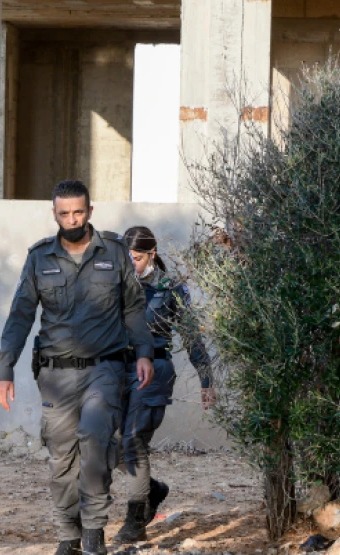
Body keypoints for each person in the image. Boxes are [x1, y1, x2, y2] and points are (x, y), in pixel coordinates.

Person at [0, 180, 155, 555]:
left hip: (105, 368)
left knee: (96, 443)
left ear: (90, 212)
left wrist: (144, 351)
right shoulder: (39, 258)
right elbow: (20, 316)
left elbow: (133, 307)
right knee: (62, 455)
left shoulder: (114, 252)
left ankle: (94, 532)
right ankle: (69, 535)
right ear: (54, 214)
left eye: (78, 212)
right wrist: (4, 369)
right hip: (56, 374)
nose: (71, 219)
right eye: (64, 213)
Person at [112, 225, 214, 543]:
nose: (131, 265)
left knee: (132, 441)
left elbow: (191, 336)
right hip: (116, 371)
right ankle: (152, 489)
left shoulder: (170, 289)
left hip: (154, 370)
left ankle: (135, 522)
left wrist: (206, 378)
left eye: (137, 259)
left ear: (151, 255)